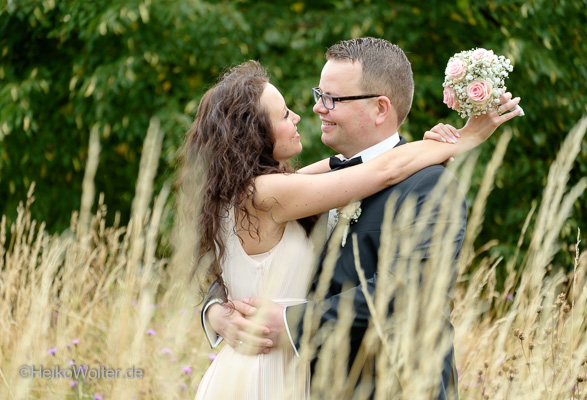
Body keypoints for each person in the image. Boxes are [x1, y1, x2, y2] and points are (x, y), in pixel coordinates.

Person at [194, 40, 521, 399]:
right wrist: (217, 312)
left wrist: (289, 324)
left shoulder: (427, 184)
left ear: (381, 108)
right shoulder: (301, 190)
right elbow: (247, 267)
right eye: (319, 95)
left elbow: (407, 294)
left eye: (331, 98)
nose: (316, 108)